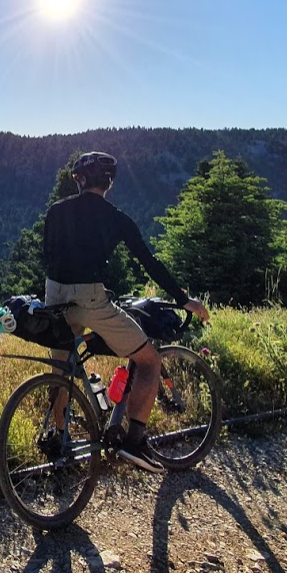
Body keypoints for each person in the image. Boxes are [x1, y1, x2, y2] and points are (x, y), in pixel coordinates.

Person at [43, 151, 210, 473]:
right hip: (90, 298)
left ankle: (57, 439)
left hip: (54, 296)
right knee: (149, 360)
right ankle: (134, 443)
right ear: (109, 183)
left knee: (61, 369)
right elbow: (149, 261)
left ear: (78, 180)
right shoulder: (116, 218)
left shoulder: (56, 211)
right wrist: (182, 299)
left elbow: (48, 253)